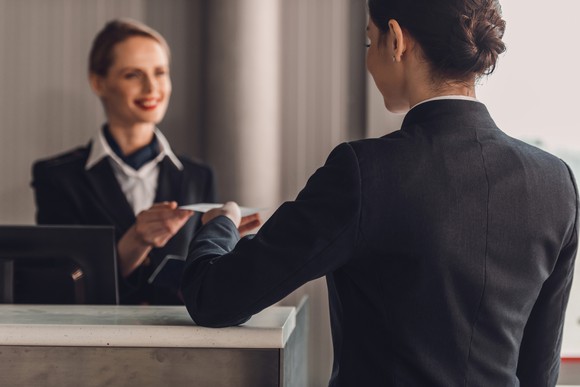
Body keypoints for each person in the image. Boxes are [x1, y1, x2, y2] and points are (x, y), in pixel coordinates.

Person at [181, 0, 578, 385]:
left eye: (369, 42)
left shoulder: (364, 172)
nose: (370, 59)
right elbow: (540, 370)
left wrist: (220, 226)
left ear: (396, 40)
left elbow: (215, 299)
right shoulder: (556, 182)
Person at [32, 19, 215, 305]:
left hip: (180, 344)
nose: (152, 87)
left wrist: (224, 244)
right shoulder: (57, 177)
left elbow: (203, 284)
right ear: (99, 82)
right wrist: (136, 241)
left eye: (160, 72)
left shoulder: (198, 176)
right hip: (95, 341)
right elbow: (59, 288)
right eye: (133, 74)